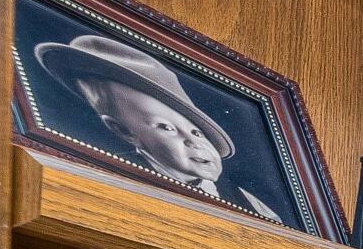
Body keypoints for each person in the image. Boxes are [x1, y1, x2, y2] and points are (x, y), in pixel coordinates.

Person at [34, 31, 283, 222]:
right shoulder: (114, 183)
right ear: (124, 132)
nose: (194, 142)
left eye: (196, 131)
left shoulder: (248, 203)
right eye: (166, 128)